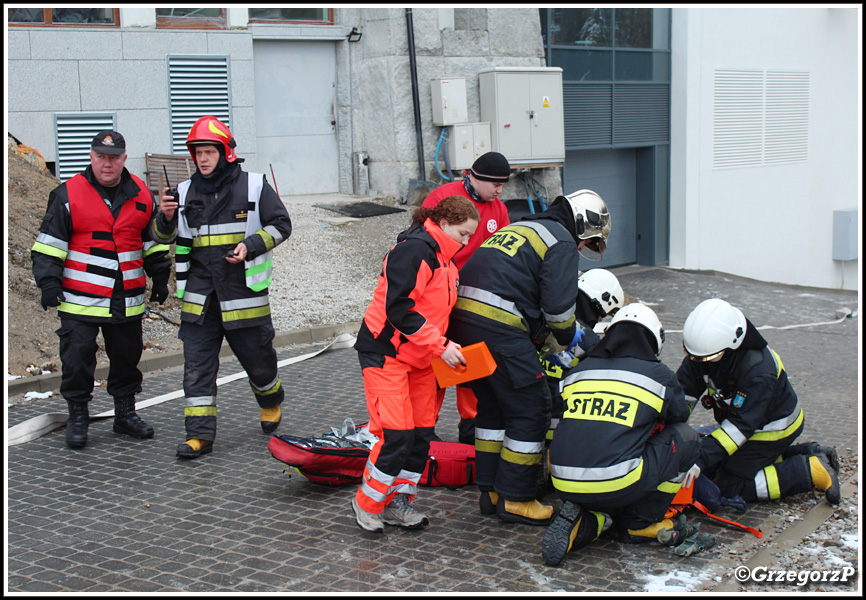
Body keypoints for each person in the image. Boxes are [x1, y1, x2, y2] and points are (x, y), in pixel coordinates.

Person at [448, 189, 611, 525]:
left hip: (462, 326)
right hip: (500, 328)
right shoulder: (562, 241)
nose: (582, 248)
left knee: (492, 408)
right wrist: (574, 339)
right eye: (586, 242)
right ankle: (516, 499)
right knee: (531, 409)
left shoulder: (522, 227)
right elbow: (558, 312)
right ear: (581, 225)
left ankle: (490, 491)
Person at [150, 116, 293, 459]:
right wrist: (166, 217)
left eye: (208, 151)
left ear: (225, 152)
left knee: (259, 363)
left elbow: (281, 224)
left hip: (243, 294)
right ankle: (199, 436)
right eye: (197, 151)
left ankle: (270, 398)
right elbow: (163, 238)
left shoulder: (255, 186)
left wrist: (251, 245)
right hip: (200, 296)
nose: (202, 158)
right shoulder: (182, 192)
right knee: (197, 367)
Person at [31, 130, 172, 449]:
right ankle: (78, 416)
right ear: (91, 158)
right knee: (78, 359)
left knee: (126, 357)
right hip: (79, 300)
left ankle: (125, 414)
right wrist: (49, 283)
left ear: (124, 159)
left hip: (127, 298)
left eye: (114, 158)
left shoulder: (140, 193)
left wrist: (160, 277)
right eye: (101, 157)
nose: (107, 164)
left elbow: (149, 242)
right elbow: (49, 245)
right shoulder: (67, 194)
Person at [351, 196, 480, 533]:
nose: (466, 242)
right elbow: (398, 310)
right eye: (464, 234)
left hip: (421, 359)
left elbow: (439, 313)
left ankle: (398, 502)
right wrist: (441, 346)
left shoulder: (445, 259)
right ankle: (368, 503)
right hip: (387, 355)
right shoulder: (415, 252)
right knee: (396, 436)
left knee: (421, 436)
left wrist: (448, 348)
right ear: (445, 224)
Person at [542, 303, 708, 566]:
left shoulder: (579, 371)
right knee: (687, 439)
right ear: (654, 340)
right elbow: (679, 418)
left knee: (610, 453)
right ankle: (639, 522)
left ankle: (592, 520)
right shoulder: (658, 376)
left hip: (562, 480)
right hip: (615, 481)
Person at [677, 298, 841, 511]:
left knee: (728, 485)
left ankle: (809, 470)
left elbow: (738, 428)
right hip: (744, 424)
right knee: (716, 460)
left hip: (771, 430)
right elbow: (682, 395)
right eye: (694, 358)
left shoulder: (758, 371)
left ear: (732, 345)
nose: (699, 363)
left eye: (707, 358)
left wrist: (699, 458)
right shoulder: (705, 352)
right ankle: (806, 452)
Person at [422, 151, 512, 445]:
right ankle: (425, 426)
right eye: (496, 185)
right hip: (439, 297)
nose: (500, 191)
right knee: (434, 363)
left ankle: (471, 426)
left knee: (470, 361)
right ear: (476, 178)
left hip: (474, 301)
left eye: (502, 186)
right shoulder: (442, 197)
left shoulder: (498, 209)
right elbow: (420, 242)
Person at [542, 268, 625, 438]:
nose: (601, 319)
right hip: (558, 431)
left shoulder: (546, 316)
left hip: (521, 417)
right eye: (604, 313)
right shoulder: (588, 340)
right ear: (599, 303)